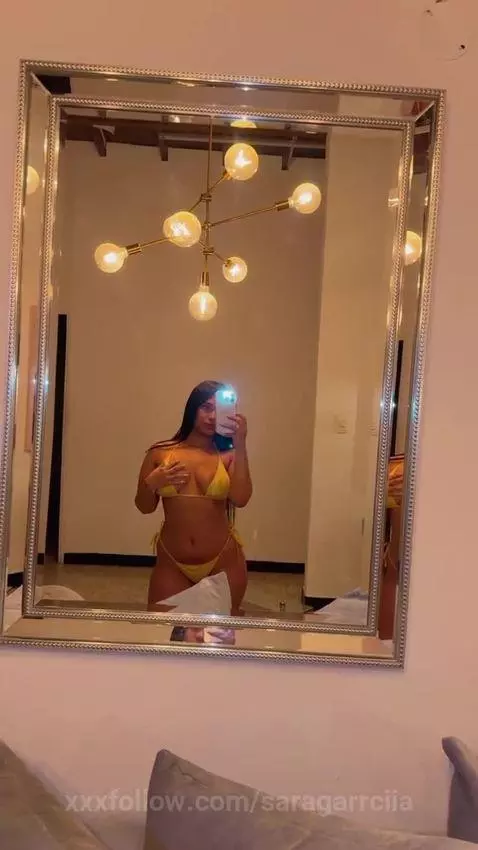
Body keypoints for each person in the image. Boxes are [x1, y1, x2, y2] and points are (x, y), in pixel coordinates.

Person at [135, 380, 252, 614]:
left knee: (220, 633)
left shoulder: (228, 454)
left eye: (218, 410)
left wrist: (240, 443)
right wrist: (152, 483)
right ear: (192, 409)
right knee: (161, 630)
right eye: (206, 408)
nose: (212, 416)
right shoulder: (160, 452)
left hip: (223, 560)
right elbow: (144, 507)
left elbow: (241, 499)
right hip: (172, 561)